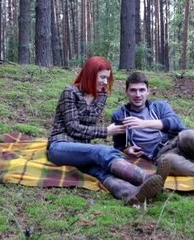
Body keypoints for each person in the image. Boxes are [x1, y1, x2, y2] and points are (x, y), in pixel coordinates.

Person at [47, 57, 170, 204]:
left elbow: (88, 128)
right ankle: (147, 178)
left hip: (83, 149)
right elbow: (73, 128)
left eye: (107, 77)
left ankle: (131, 194)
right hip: (59, 147)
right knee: (102, 151)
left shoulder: (101, 96)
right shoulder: (70, 93)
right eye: (103, 77)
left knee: (100, 171)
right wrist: (106, 131)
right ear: (90, 75)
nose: (105, 82)